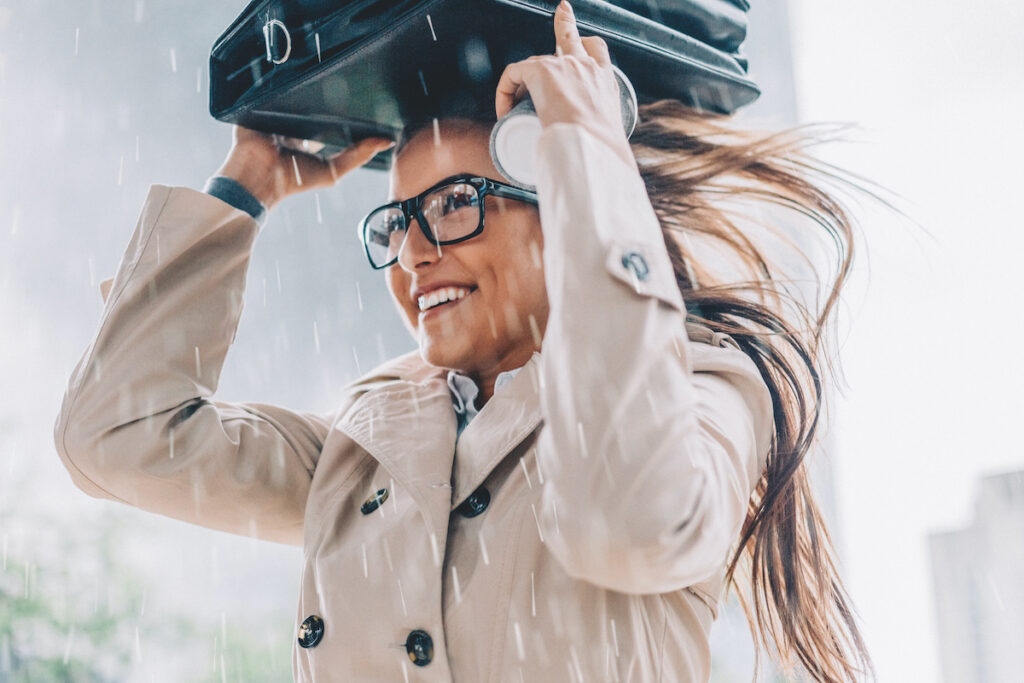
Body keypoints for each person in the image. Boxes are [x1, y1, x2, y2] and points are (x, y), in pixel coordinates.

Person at [54, 1, 873, 681]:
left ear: (565, 206)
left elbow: (626, 517)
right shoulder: (366, 447)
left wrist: (588, 144)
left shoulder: (708, 387)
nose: (414, 251)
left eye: (454, 204)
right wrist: (249, 182)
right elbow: (116, 437)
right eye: (397, 220)